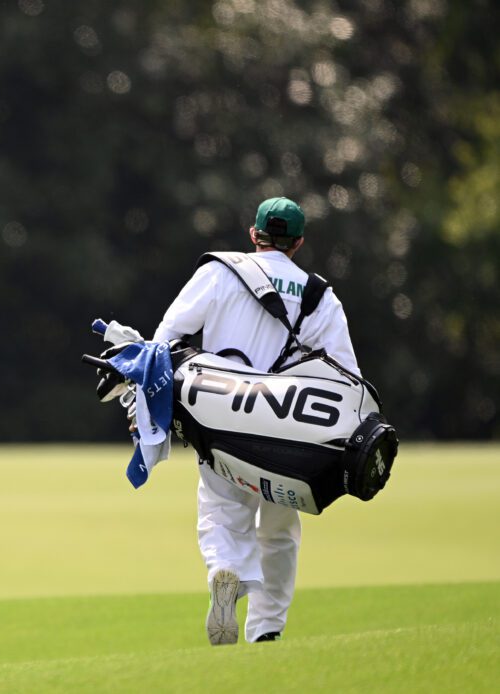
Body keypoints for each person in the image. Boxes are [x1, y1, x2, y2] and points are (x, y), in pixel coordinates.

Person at [151, 197, 359, 645]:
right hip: (288, 438)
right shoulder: (320, 297)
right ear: (298, 243)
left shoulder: (219, 273)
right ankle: (266, 630)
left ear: (254, 235)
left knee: (221, 515)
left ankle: (226, 570)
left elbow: (166, 337)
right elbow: (345, 379)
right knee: (280, 533)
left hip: (222, 422)